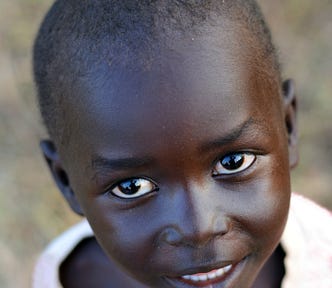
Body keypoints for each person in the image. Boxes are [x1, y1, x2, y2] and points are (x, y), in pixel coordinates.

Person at [32, 0, 332, 287]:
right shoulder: (69, 277)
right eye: (132, 186)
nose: (198, 229)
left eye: (233, 162)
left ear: (287, 126)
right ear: (65, 180)